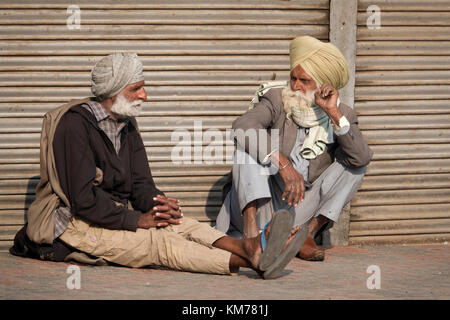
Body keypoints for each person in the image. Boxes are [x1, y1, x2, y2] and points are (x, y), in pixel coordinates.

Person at [10, 52, 305, 280]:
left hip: (111, 215)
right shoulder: (75, 126)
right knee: (159, 245)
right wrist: (138, 221)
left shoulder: (126, 124)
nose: (145, 96)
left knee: (181, 224)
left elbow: (141, 184)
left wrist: (159, 205)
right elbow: (83, 199)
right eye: (137, 89)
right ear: (114, 91)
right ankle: (251, 258)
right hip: (73, 224)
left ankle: (251, 248)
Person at [216, 35, 373, 261]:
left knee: (355, 167)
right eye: (293, 78)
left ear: (323, 83)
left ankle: (304, 236)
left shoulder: (342, 114)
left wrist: (334, 114)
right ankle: (251, 237)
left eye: (304, 81)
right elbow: (242, 126)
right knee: (246, 145)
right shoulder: (276, 99)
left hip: (300, 207)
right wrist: (283, 163)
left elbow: (361, 158)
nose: (295, 86)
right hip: (263, 203)